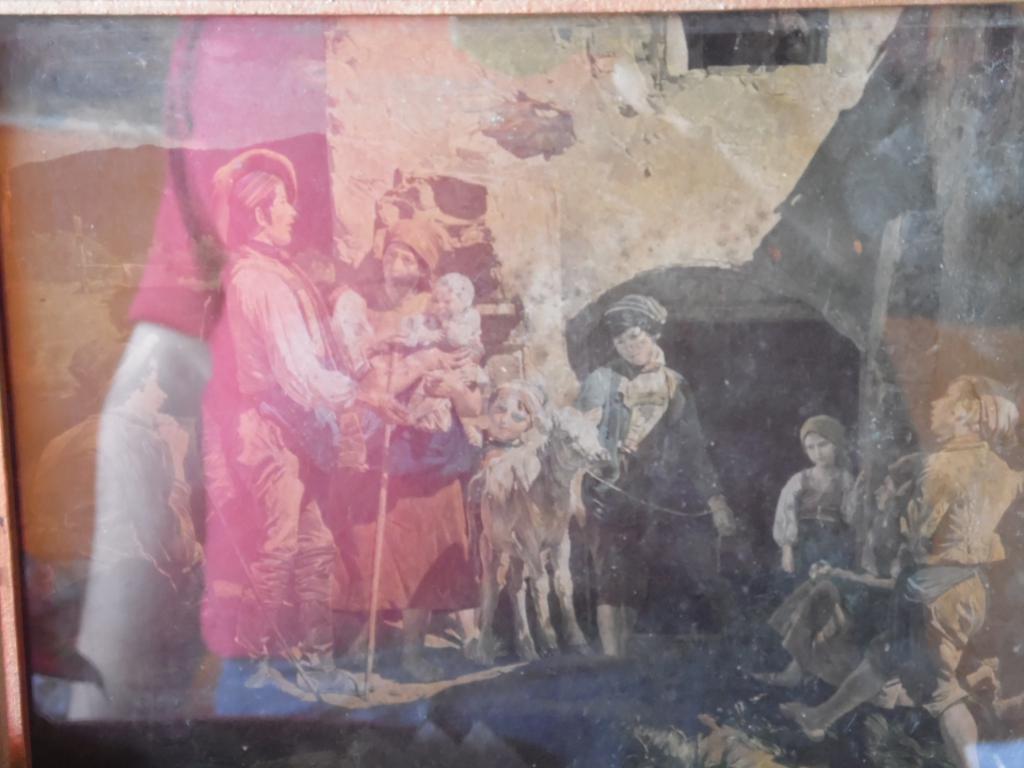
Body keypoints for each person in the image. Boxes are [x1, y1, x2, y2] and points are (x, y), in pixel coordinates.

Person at [780, 375, 1023, 768]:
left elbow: (919, 533)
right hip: (969, 588)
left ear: (966, 412)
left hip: (932, 594)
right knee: (884, 657)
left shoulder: (942, 466)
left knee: (943, 693)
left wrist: (898, 500)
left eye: (947, 399)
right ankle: (818, 718)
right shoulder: (1003, 471)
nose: (937, 406)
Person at [330, 217, 482, 683]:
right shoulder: (361, 305)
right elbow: (349, 365)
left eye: (408, 258)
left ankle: (413, 651)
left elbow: (464, 363)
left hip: (428, 446)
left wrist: (439, 369)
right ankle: (365, 640)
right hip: (378, 440)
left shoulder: (438, 307)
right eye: (393, 253)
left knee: (426, 544)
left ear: (423, 270)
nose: (396, 263)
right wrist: (383, 347)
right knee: (371, 543)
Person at [577, 294, 736, 656]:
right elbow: (581, 433)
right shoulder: (602, 379)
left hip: (652, 492)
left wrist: (716, 501)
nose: (629, 347)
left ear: (653, 334)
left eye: (635, 337)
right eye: (620, 341)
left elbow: (693, 448)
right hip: (607, 488)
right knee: (610, 570)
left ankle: (624, 655)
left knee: (637, 574)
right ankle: (612, 657)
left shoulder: (673, 384)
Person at [772, 415, 857, 579]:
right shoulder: (799, 480)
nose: (817, 453)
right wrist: (787, 549)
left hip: (834, 544)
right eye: (810, 447)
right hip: (804, 544)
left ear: (835, 444)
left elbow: (850, 517)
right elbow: (786, 512)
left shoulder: (845, 479)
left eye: (823, 445)